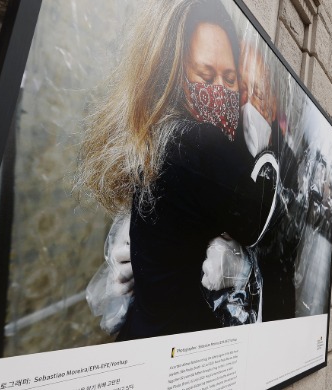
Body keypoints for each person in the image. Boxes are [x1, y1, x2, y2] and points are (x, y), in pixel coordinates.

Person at [78, 0, 277, 340]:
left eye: (231, 78)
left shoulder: (158, 141)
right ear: (168, 77)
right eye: (204, 76)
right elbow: (266, 222)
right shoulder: (200, 142)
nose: (220, 91)